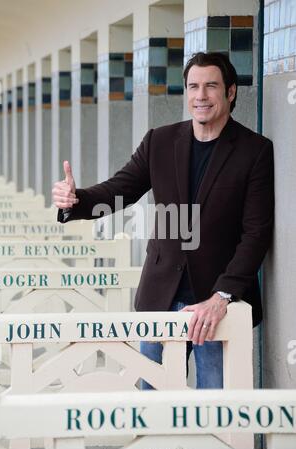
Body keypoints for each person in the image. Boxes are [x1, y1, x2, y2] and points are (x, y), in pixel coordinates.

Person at [52, 52, 274, 390]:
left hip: (214, 308)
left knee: (215, 409)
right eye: (193, 86)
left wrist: (222, 296)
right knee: (151, 401)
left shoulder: (255, 150)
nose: (200, 96)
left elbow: (256, 232)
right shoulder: (160, 140)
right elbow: (120, 190)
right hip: (160, 297)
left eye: (211, 86)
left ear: (230, 92)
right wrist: (76, 199)